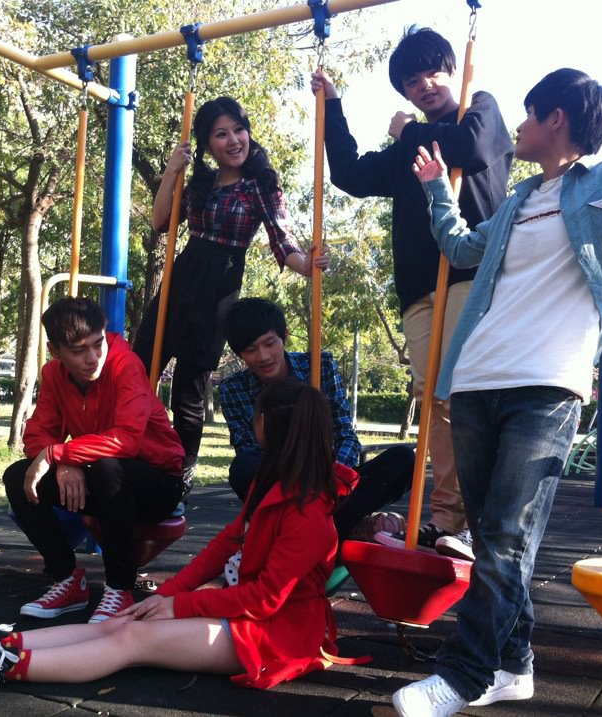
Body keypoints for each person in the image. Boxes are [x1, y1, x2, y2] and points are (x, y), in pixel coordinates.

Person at [392, 68, 602, 717]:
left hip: (547, 386)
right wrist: (435, 190)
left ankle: (464, 674)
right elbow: (460, 246)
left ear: (555, 119)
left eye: (529, 113)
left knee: (508, 536)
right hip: (476, 378)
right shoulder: (516, 203)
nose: (519, 126)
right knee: (494, 538)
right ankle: (514, 664)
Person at [0, 379, 364, 691]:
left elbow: (264, 599)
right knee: (124, 618)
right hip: (250, 612)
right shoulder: (272, 481)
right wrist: (166, 596)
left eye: (255, 416)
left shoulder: (309, 513)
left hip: (280, 635)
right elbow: (225, 545)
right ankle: (2, 640)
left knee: (133, 637)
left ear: (267, 426)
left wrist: (179, 605)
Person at [310, 27, 515, 561]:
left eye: (432, 73)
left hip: (468, 272)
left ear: (451, 70)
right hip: (419, 288)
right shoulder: (409, 150)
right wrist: (333, 107)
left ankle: (473, 518)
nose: (424, 85)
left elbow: (469, 147)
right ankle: (449, 519)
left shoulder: (481, 110)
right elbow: (351, 175)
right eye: (411, 81)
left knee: (460, 391)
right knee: (433, 397)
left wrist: (409, 133)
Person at [132, 97, 328, 504]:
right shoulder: (200, 183)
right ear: (208, 144)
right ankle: (132, 454)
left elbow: (282, 240)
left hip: (219, 287)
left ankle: (179, 475)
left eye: (239, 130)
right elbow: (161, 221)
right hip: (182, 276)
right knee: (138, 369)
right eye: (221, 134)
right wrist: (172, 171)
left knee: (188, 390)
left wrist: (307, 266)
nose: (234, 140)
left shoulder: (260, 186)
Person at [3, 298, 185, 624]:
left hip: (158, 484)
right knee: (18, 476)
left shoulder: (125, 365)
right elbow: (38, 435)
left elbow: (126, 440)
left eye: (98, 343)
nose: (92, 358)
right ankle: (67, 578)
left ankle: (120, 587)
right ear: (55, 351)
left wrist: (59, 454)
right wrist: (66, 463)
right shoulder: (54, 375)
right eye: (78, 350)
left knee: (107, 467)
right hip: (102, 477)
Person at [219, 298, 415, 544]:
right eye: (251, 350)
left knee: (404, 460)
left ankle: (315, 525)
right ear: (239, 354)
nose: (264, 356)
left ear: (285, 336)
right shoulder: (233, 389)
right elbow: (250, 450)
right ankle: (345, 525)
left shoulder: (320, 366)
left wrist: (328, 481)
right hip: (282, 485)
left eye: (269, 343)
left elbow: (345, 434)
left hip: (332, 481)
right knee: (243, 468)